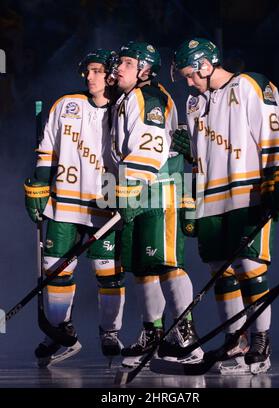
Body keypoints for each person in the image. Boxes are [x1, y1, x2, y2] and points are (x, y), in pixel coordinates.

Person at [170, 38, 279, 374]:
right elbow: (197, 160)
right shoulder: (194, 103)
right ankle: (234, 341)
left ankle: (261, 341)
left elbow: (272, 137)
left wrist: (277, 179)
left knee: (250, 267)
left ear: (206, 64)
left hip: (246, 192)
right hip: (210, 199)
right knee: (220, 272)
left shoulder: (252, 84)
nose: (189, 82)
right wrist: (190, 201)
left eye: (190, 75)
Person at [24, 49, 125, 367]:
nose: (90, 76)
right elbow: (47, 149)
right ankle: (58, 331)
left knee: (107, 272)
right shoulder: (65, 104)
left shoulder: (125, 109)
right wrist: (38, 186)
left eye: (97, 71)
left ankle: (110, 332)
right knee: (55, 270)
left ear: (110, 74)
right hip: (64, 201)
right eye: (87, 71)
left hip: (105, 200)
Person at [109, 41, 203, 368]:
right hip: (136, 191)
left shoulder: (147, 97)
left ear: (145, 70)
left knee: (166, 264)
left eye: (127, 63)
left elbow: (150, 152)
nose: (118, 67)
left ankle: (186, 336)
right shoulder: (125, 98)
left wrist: (127, 191)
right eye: (118, 61)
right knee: (144, 269)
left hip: (157, 191)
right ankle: (153, 334)